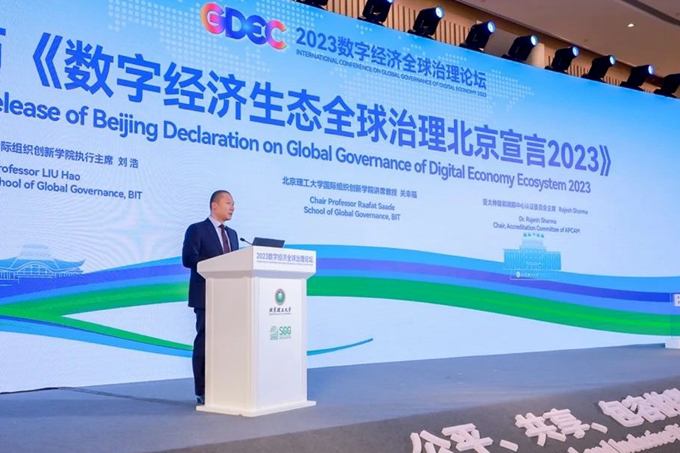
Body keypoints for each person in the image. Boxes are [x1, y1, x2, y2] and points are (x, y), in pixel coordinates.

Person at [182, 190, 238, 405]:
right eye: (228, 203)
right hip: (206, 295)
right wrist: (215, 266)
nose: (232, 207)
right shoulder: (197, 229)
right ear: (214, 205)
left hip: (230, 297)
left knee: (229, 343)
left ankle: (226, 385)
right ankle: (202, 390)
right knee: (205, 342)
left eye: (233, 204)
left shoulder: (233, 234)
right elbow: (188, 259)